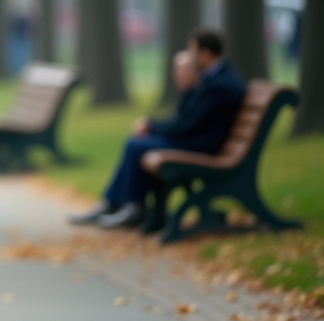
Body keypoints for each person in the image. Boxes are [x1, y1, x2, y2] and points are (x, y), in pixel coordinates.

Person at [70, 28, 246, 229]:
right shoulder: (214, 77)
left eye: (193, 51)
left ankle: (130, 207)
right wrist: (153, 125)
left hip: (201, 145)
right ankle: (115, 204)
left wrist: (151, 126)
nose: (191, 56)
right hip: (196, 139)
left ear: (205, 53)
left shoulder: (218, 84)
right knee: (137, 143)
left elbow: (186, 124)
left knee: (136, 145)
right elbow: (185, 118)